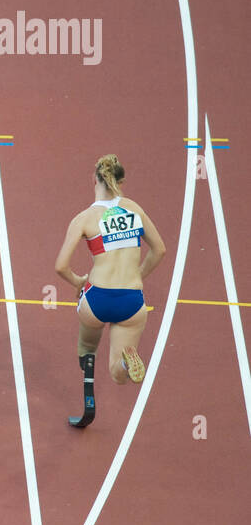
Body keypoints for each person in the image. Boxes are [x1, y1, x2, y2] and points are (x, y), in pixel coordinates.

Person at [54, 154, 165, 408]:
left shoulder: (84, 218)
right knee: (118, 376)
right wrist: (138, 275)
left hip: (97, 298)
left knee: (88, 339)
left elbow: (61, 266)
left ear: (94, 179)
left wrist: (78, 282)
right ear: (121, 181)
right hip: (132, 301)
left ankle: (87, 358)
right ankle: (127, 362)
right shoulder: (134, 208)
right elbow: (159, 250)